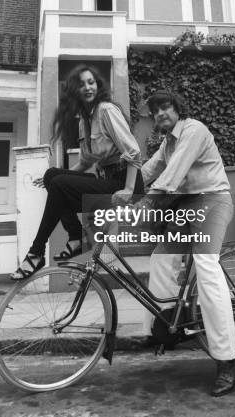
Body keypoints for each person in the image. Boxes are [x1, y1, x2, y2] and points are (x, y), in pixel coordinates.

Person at [139, 90, 235, 397]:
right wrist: (119, 188)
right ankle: (170, 323)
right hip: (187, 206)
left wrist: (148, 200)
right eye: (154, 111)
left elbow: (172, 174)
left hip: (213, 200)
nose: (159, 114)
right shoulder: (167, 143)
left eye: (164, 107)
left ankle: (227, 359)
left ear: (177, 109)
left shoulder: (193, 130)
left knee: (206, 266)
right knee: (160, 258)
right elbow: (149, 170)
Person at [11, 65, 143, 280]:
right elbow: (84, 162)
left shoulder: (106, 110)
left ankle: (36, 252)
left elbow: (133, 150)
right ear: (75, 90)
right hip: (106, 181)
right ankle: (75, 237)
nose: (88, 87)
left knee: (59, 182)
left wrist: (128, 189)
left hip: (125, 183)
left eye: (91, 82)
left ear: (97, 85)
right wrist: (52, 179)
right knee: (53, 175)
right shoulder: (84, 120)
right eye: (81, 84)